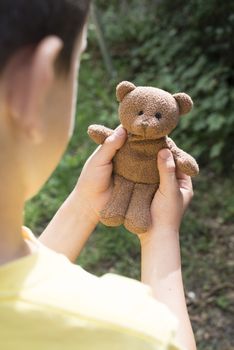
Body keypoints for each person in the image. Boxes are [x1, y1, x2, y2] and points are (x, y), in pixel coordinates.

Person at [0, 1, 196, 349]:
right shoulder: (126, 332)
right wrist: (160, 235)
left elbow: (22, 285)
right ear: (34, 85)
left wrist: (85, 205)